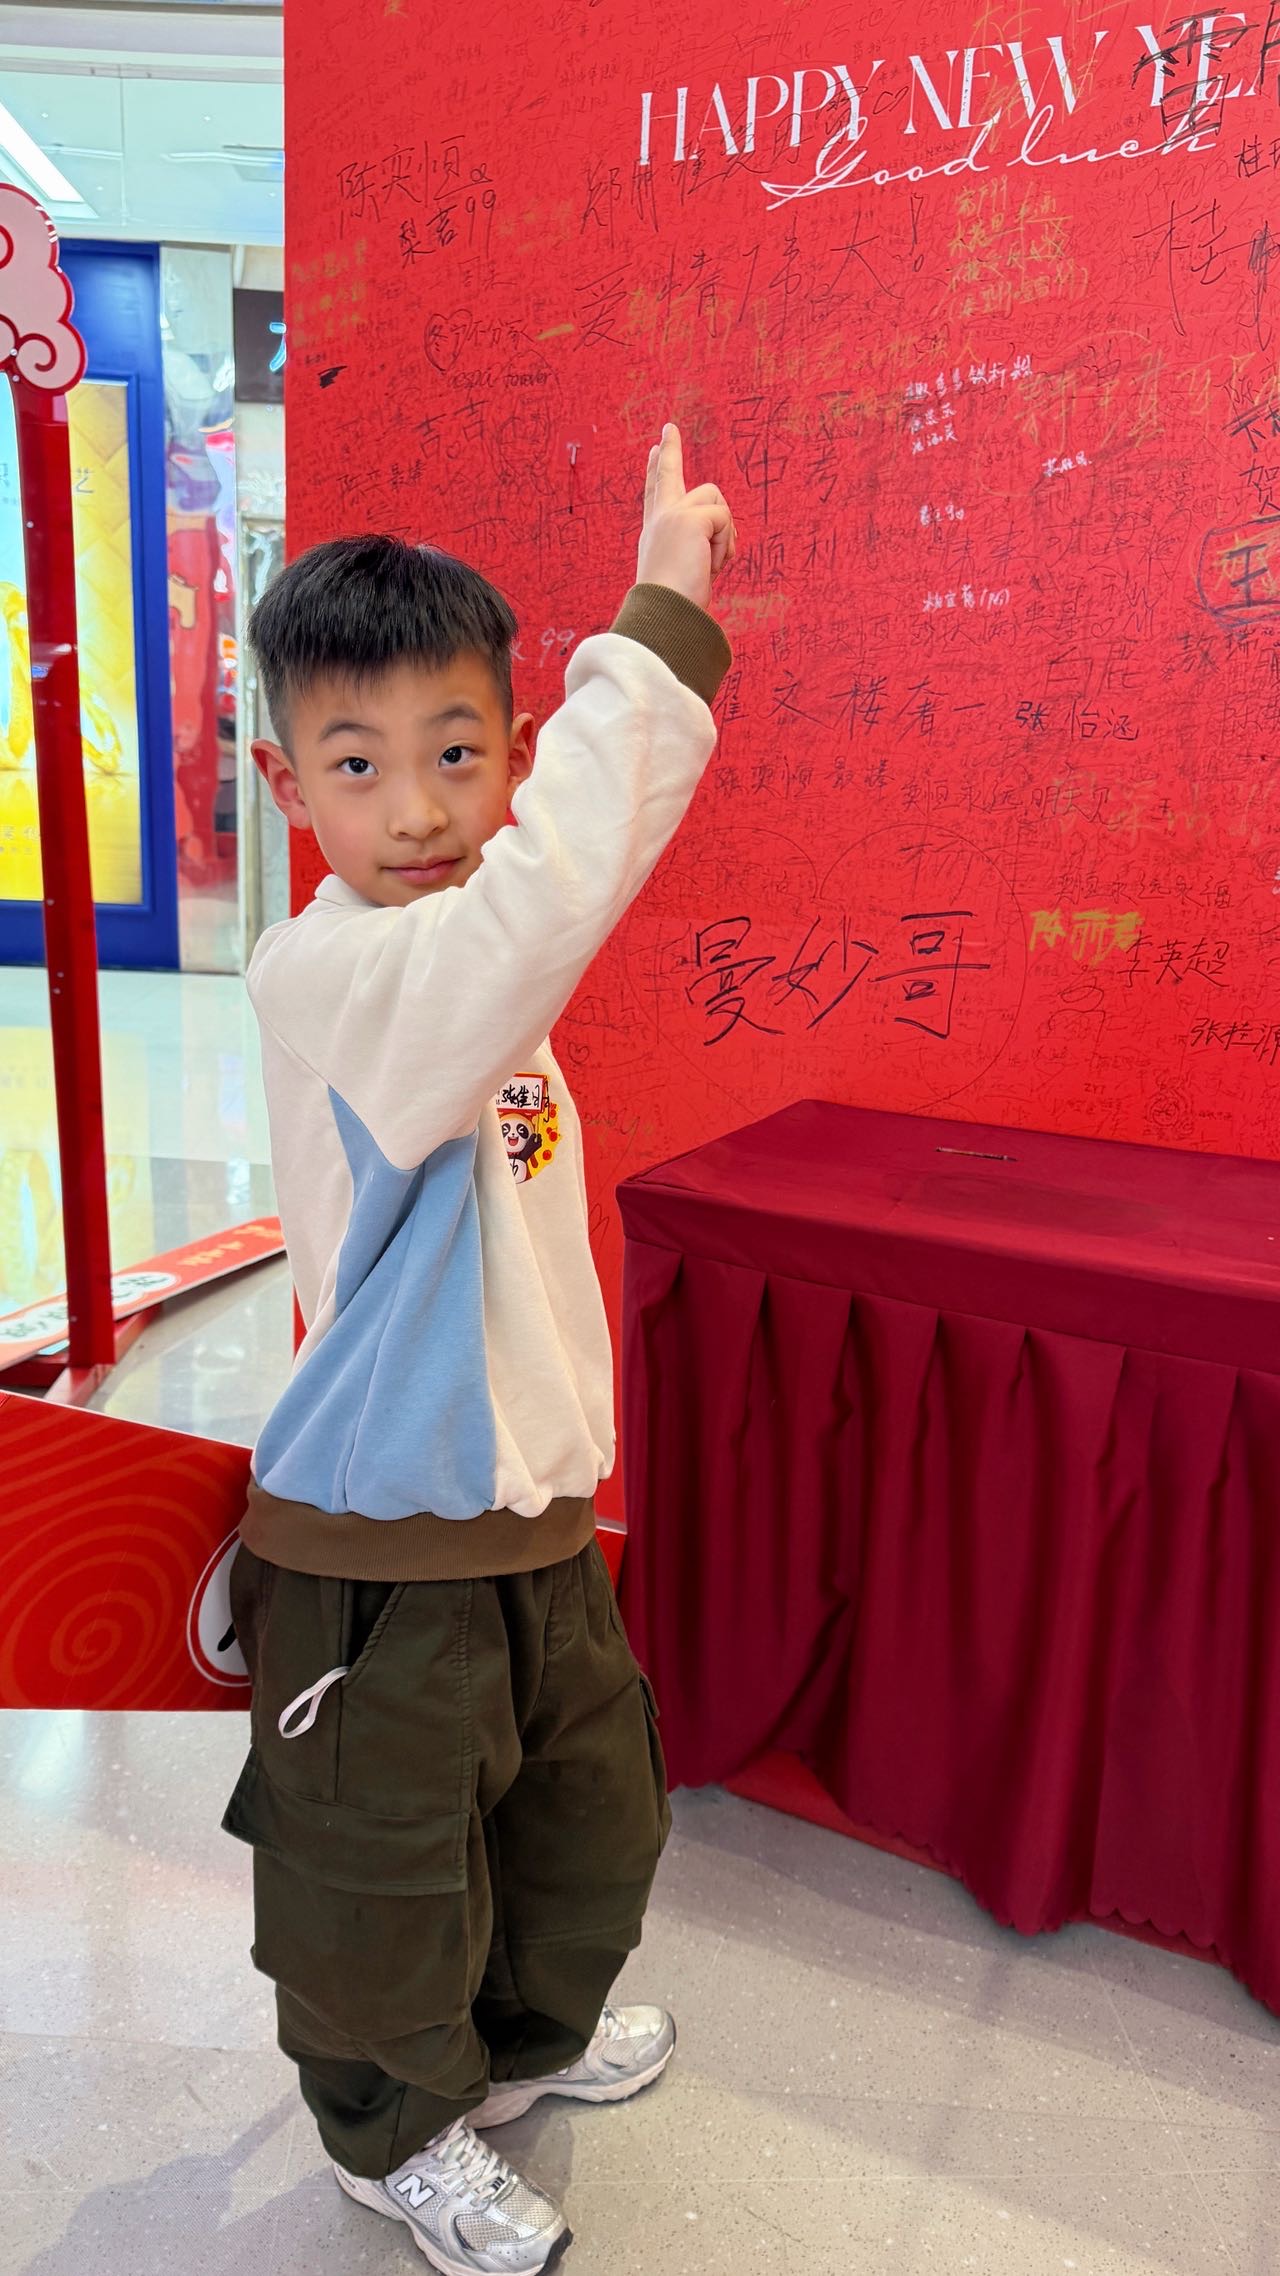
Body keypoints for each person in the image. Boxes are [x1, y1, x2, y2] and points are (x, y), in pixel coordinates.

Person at [222, 425, 736, 2276]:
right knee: (380, 1879)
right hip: (380, 1541)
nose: (419, 809)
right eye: (358, 763)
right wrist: (655, 635)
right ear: (289, 784)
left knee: (579, 1819)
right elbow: (538, 909)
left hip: (529, 1512)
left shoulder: (470, 980)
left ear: (512, 753)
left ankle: (520, 2049)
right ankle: (392, 2138)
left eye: (458, 753)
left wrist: (573, 1454)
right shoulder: (339, 974)